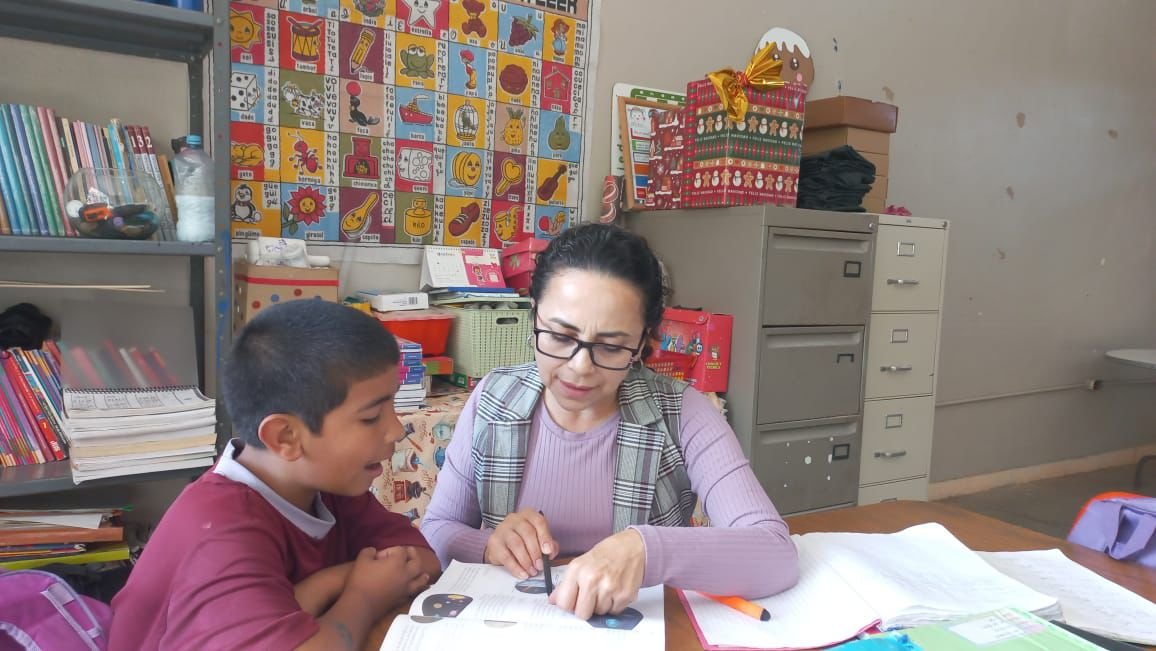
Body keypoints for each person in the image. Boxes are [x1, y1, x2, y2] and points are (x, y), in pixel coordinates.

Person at [421, 223, 799, 620]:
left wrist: (646, 551)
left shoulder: (682, 414)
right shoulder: (494, 402)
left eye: (611, 346)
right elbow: (437, 531)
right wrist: (488, 545)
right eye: (559, 336)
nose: (580, 367)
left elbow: (776, 553)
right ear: (534, 314)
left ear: (642, 343)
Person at [109, 300, 440, 650]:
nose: (396, 429)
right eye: (371, 417)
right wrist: (364, 593)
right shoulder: (220, 530)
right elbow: (386, 578)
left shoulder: (327, 485)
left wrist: (323, 586)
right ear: (286, 438)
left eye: (392, 406)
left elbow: (421, 561)